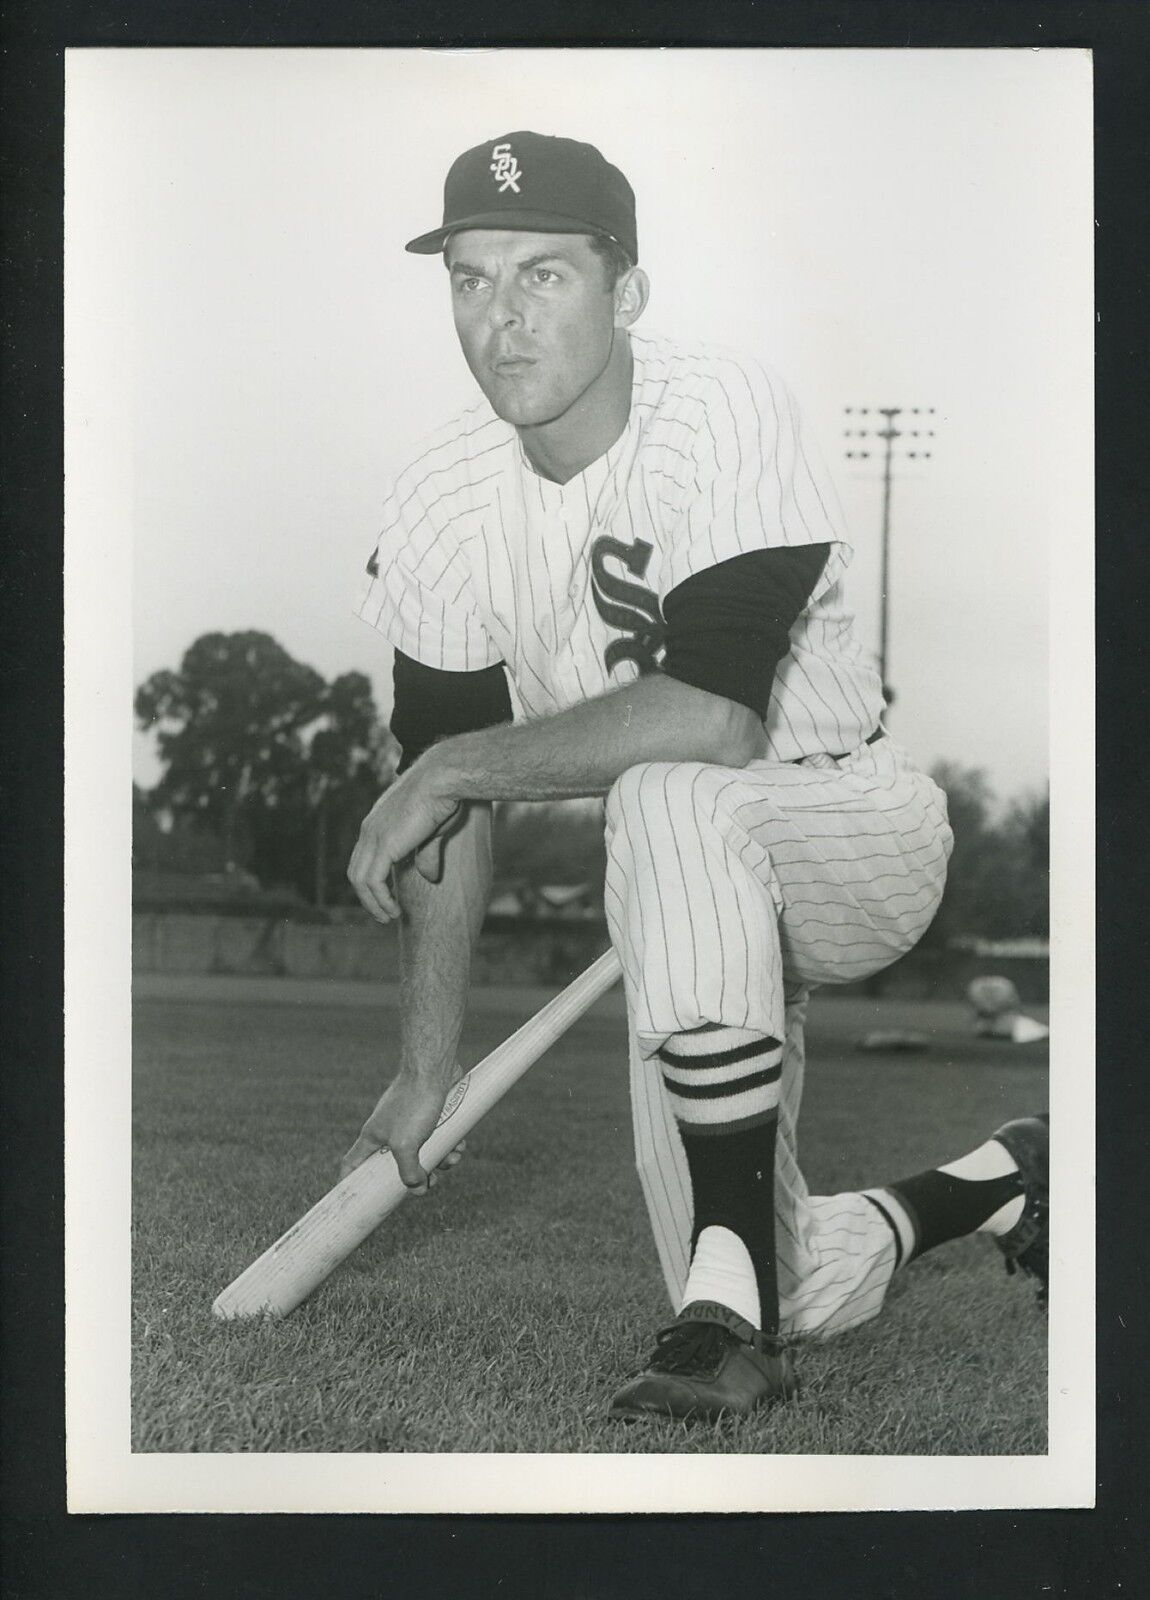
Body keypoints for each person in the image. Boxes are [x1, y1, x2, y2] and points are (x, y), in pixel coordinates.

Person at [343, 131, 1049, 1422]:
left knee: (668, 788)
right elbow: (449, 810)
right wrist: (423, 1066)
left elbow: (718, 724)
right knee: (790, 1281)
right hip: (681, 907)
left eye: (542, 276)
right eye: (469, 278)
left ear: (626, 293)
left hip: (845, 823)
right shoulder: (442, 498)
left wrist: (449, 762)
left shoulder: (716, 405)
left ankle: (721, 1325)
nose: (499, 320)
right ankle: (996, 1183)